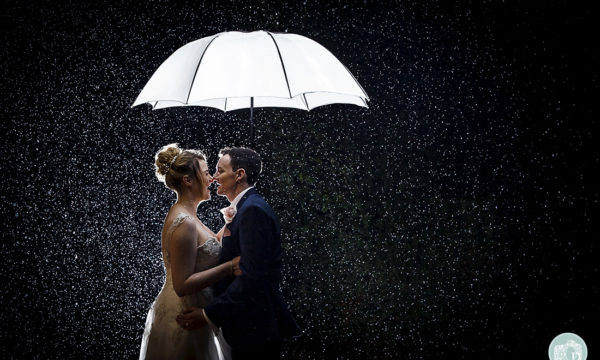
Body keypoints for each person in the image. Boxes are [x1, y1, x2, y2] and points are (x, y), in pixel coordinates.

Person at [176, 147, 300, 360]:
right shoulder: (246, 209)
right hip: (244, 326)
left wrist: (208, 314)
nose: (214, 178)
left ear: (239, 174)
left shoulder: (252, 211)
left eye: (220, 171)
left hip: (255, 328)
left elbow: (251, 276)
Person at [139, 144, 240, 360]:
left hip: (195, 313)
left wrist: (232, 221)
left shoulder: (188, 216)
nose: (212, 178)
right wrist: (229, 268)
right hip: (184, 318)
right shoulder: (185, 222)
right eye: (205, 173)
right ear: (188, 180)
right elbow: (182, 285)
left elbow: (210, 246)